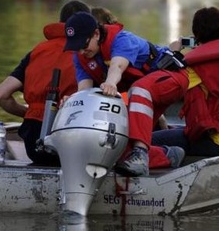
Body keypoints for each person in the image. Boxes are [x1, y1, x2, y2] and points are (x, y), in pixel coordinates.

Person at [116, 6, 219, 177]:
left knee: (136, 143)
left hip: (215, 142)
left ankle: (169, 157)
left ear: (196, 35)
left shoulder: (196, 67)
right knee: (164, 133)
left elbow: (159, 82)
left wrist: (173, 52)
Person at [62, 12, 185, 172]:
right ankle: (169, 155)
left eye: (84, 45)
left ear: (97, 34)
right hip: (147, 93)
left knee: (139, 90)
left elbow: (117, 67)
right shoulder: (80, 58)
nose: (81, 52)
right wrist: (71, 101)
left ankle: (140, 154)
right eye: (76, 47)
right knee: (115, 150)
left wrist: (111, 82)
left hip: (171, 77)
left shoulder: (122, 40)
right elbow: (84, 91)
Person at [0, 0, 92, 165]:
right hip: (71, 141)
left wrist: (30, 113)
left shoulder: (37, 51)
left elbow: (0, 95)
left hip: (33, 142)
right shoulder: (89, 52)